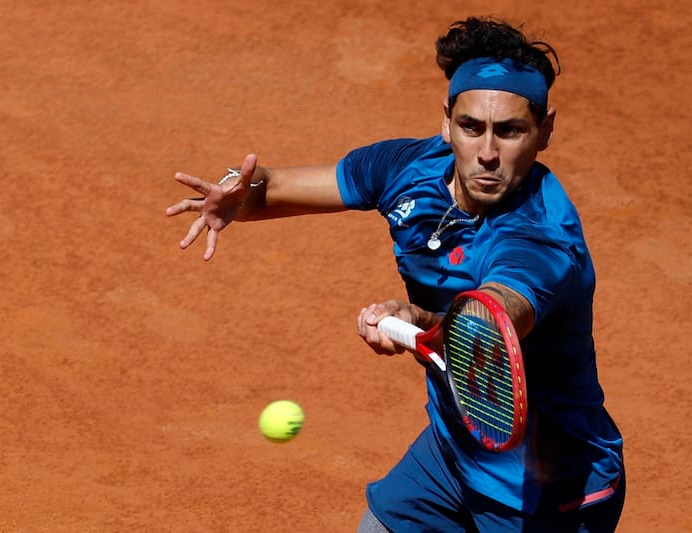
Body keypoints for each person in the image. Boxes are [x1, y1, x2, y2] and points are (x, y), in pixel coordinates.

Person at [166, 16, 625, 533]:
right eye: (472, 127)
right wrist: (236, 192)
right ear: (446, 123)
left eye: (511, 131)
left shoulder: (541, 239)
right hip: (452, 455)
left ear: (544, 132)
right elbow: (271, 188)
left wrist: (417, 317)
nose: (488, 153)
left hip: (544, 492)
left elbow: (493, 320)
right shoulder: (407, 168)